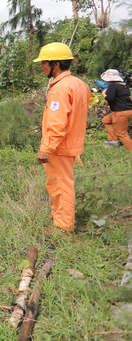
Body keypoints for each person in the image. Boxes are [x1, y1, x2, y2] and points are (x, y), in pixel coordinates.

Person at [33, 42, 90, 234]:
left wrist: (46, 148)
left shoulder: (60, 89)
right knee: (57, 182)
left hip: (60, 146)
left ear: (55, 64)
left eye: (43, 63)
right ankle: (59, 213)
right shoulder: (78, 84)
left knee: (61, 184)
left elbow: (57, 124)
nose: (40, 66)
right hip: (70, 142)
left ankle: (63, 226)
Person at [99, 68, 132, 150]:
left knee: (122, 133)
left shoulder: (113, 86)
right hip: (128, 110)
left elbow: (110, 98)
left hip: (121, 112)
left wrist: (103, 93)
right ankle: (113, 140)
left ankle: (130, 150)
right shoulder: (124, 85)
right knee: (106, 120)